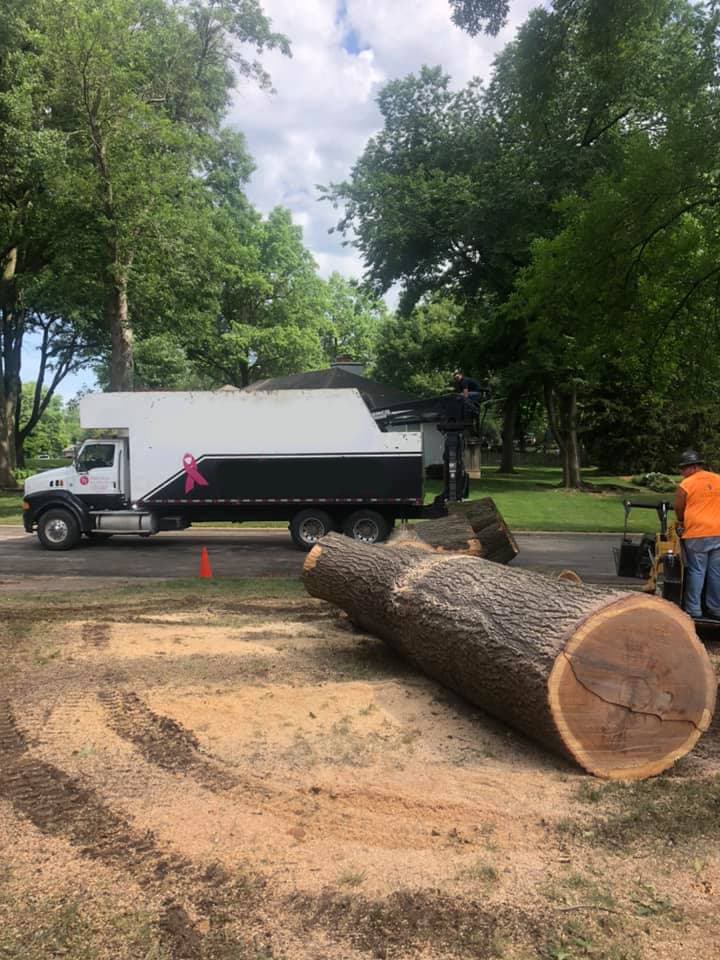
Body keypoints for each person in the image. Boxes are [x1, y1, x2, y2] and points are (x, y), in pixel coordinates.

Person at [674, 449, 720, 619]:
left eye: (682, 468)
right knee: (716, 572)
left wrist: (680, 521)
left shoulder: (686, 484)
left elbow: (679, 508)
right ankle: (716, 609)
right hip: (718, 532)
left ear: (691, 467)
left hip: (697, 533)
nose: (681, 472)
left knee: (696, 570)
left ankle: (693, 610)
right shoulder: (718, 479)